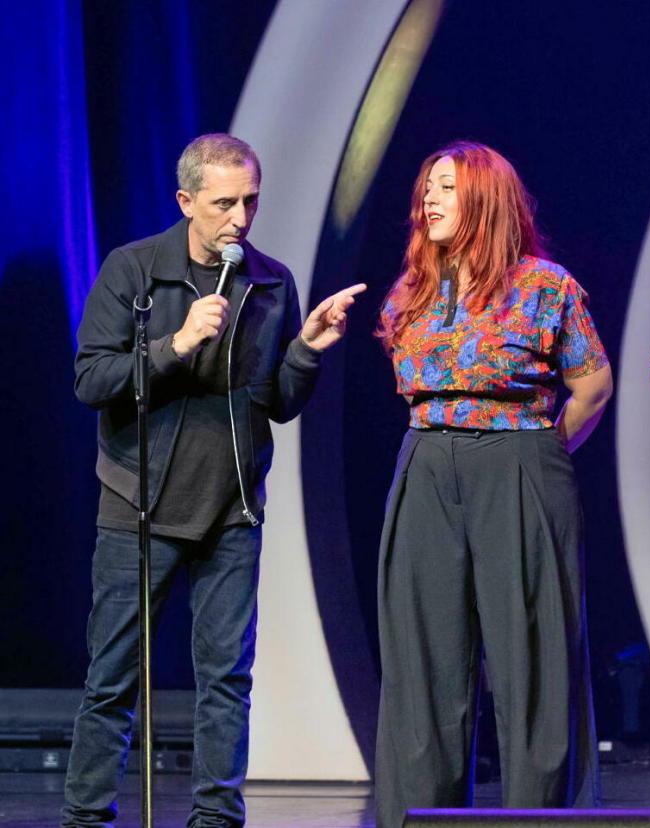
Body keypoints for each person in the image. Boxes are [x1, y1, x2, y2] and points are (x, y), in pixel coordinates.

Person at [65, 133, 365, 827]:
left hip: (230, 511)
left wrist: (305, 351)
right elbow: (91, 380)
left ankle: (216, 818)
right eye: (224, 203)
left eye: (250, 201)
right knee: (113, 677)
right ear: (187, 201)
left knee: (226, 680)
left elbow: (279, 404)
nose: (240, 218)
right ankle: (85, 816)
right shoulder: (135, 270)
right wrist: (173, 345)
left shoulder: (269, 282)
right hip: (138, 506)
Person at [373, 141, 612, 825]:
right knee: (423, 667)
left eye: (446, 186)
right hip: (425, 462)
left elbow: (593, 385)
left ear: (484, 195)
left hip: (519, 462)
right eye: (427, 188)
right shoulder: (414, 286)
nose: (430, 199)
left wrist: (540, 455)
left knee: (531, 663)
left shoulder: (545, 286)